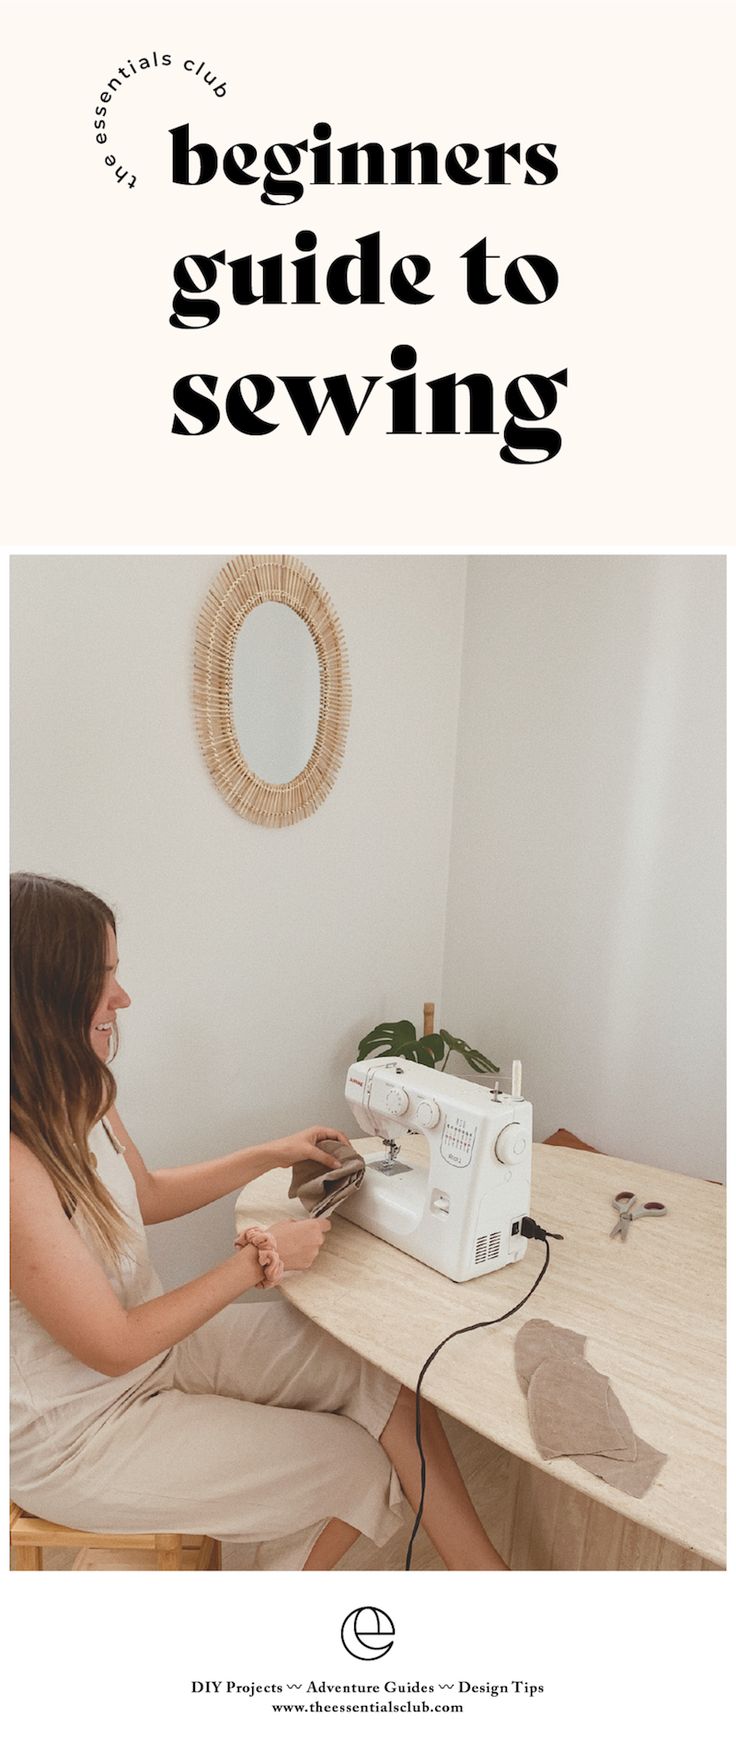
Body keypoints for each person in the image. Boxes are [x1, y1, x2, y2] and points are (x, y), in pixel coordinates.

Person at [10, 872, 507, 1570]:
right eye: (105, 977)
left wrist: (268, 1153)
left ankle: (494, 1582)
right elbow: (113, 1344)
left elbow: (144, 1192)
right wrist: (258, 1262)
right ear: (46, 994)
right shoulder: (11, 1168)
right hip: (81, 1430)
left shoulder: (81, 1087)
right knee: (354, 1465)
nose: (123, 996)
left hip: (157, 1354)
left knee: (381, 1375)